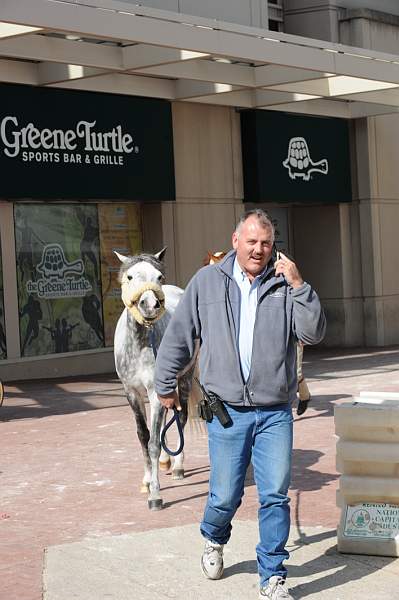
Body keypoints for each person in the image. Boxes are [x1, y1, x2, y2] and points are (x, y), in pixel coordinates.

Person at [154, 209, 326, 600]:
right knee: (226, 494)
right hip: (227, 411)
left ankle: (272, 574)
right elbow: (180, 337)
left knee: (275, 494)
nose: (259, 250)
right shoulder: (207, 283)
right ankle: (214, 537)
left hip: (274, 412)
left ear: (273, 246)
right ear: (235, 241)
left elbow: (313, 333)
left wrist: (300, 285)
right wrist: (166, 385)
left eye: (265, 243)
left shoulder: (286, 285)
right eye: (251, 242)